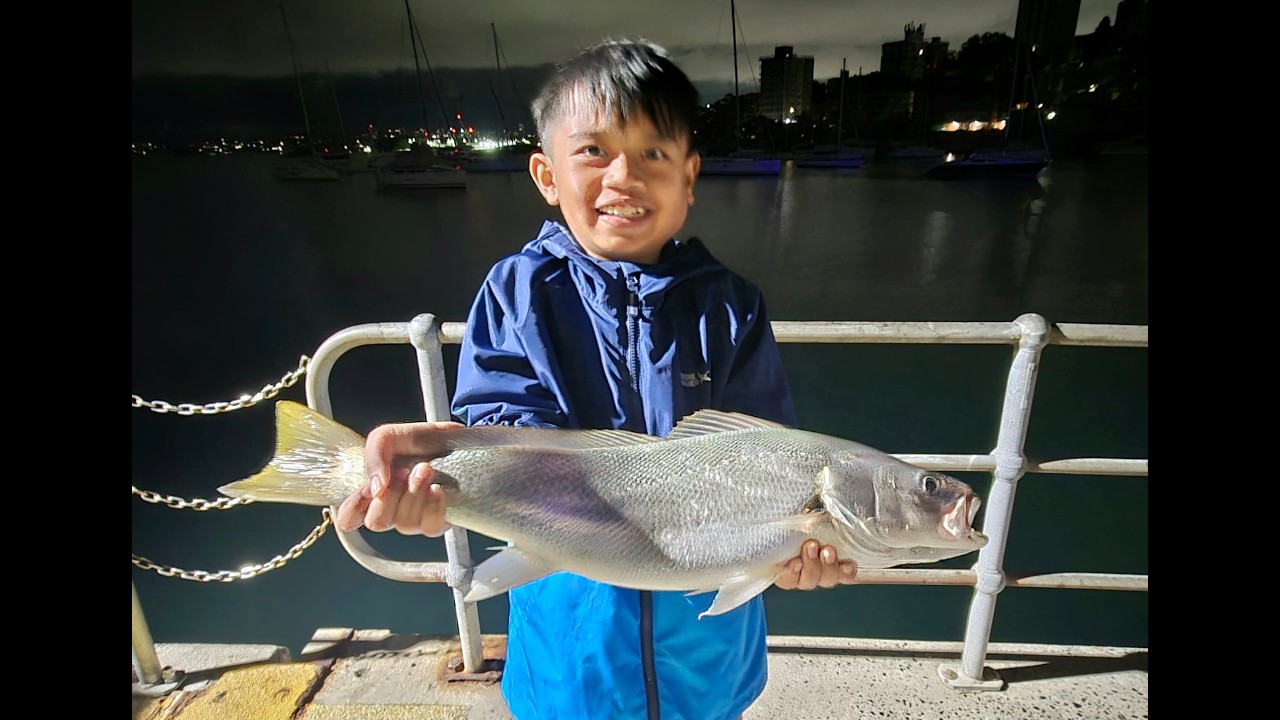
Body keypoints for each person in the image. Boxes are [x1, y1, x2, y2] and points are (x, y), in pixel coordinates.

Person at [336, 38, 857, 720]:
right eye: (593, 151)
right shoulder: (518, 293)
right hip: (569, 652)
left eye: (654, 154)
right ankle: (333, 469)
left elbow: (770, 457)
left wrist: (796, 552)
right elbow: (503, 432)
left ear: (690, 177)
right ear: (547, 175)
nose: (624, 177)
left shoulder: (733, 306)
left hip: (706, 658)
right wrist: (435, 485)